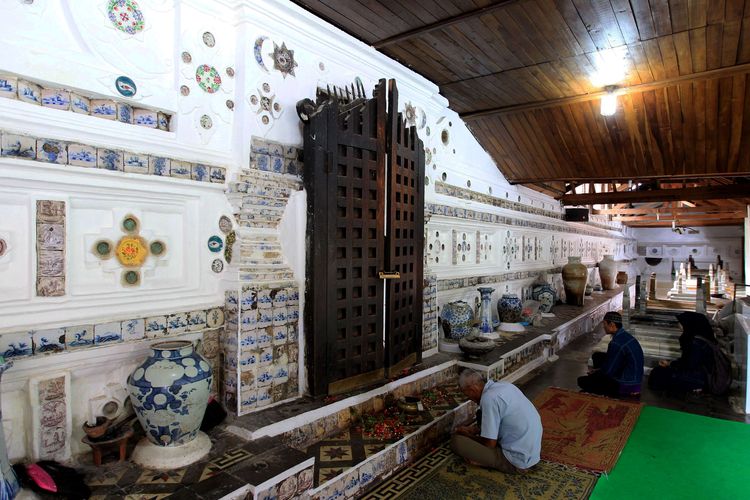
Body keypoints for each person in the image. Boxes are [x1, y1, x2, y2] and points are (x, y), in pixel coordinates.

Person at [451, 370, 542, 473]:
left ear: (472, 390)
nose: (470, 399)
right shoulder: (505, 385)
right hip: (532, 453)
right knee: (480, 414)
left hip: (517, 461)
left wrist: (467, 436)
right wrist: (475, 430)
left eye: (467, 395)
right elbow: (505, 421)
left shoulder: (488, 399)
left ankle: (490, 462)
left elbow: (489, 444)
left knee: (456, 441)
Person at [577, 311, 644, 397]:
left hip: (625, 384)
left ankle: (621, 392)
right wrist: (599, 370)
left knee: (582, 381)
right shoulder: (625, 335)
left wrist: (596, 373)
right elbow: (614, 361)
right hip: (635, 381)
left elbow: (609, 371)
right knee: (597, 356)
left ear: (612, 324)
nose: (603, 327)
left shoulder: (616, 343)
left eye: (605, 324)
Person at [648, 311, 716, 394]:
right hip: (699, 376)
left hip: (700, 379)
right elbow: (687, 362)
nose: (678, 325)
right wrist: (670, 364)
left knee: (658, 374)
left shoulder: (697, 343)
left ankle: (696, 387)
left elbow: (689, 365)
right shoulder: (700, 338)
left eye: (681, 322)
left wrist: (671, 365)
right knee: (660, 372)